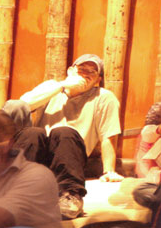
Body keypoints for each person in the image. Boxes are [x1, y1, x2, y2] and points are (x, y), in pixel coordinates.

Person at [8, 53, 124, 195]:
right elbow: (23, 105)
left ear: (97, 80)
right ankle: (10, 178)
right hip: (37, 154)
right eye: (81, 69)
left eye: (92, 72)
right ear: (70, 71)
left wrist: (109, 171)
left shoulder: (104, 97)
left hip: (68, 157)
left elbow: (108, 137)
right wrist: (63, 85)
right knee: (17, 110)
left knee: (64, 132)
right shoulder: (53, 87)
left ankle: (70, 195)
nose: (85, 74)